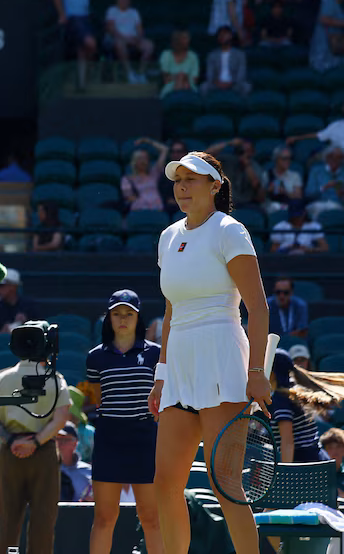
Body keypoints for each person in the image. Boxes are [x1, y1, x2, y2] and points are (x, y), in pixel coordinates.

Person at [149, 151, 270, 554]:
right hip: (179, 367)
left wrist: (256, 372)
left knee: (225, 484)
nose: (182, 187)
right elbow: (170, 313)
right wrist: (161, 375)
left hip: (222, 360)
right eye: (177, 180)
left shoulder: (230, 231)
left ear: (215, 186)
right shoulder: (168, 237)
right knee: (165, 483)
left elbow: (258, 307)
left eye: (192, 179)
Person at [85, 290, 163, 554]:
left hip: (145, 438)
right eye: (117, 313)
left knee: (152, 518)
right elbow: (98, 399)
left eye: (129, 314)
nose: (123, 319)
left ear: (138, 318)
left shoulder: (156, 354)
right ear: (108, 318)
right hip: (109, 439)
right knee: (104, 518)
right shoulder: (95, 357)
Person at [0, 354, 70, 554]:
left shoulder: (0, 378)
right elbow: (62, 416)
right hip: (44, 451)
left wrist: (12, 441)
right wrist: (37, 441)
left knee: (8, 520)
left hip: (10, 451)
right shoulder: (55, 379)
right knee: (43, 521)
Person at [269, 349, 329, 463]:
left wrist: (286, 474)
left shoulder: (281, 398)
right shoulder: (295, 390)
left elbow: (287, 442)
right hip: (317, 459)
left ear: (273, 372)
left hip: (303, 465)